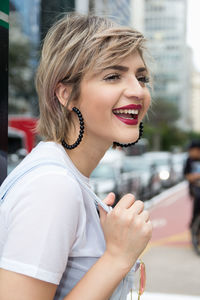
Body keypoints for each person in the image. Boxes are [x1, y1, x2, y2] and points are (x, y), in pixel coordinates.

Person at [0, 13, 152, 300]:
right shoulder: (53, 187)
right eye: (112, 76)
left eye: (141, 77)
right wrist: (117, 257)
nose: (137, 91)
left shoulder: (66, 176)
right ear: (66, 94)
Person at [184, 140, 200, 228]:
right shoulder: (189, 160)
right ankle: (193, 224)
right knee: (198, 200)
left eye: (191, 150)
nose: (189, 153)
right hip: (195, 188)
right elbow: (187, 175)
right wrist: (195, 176)